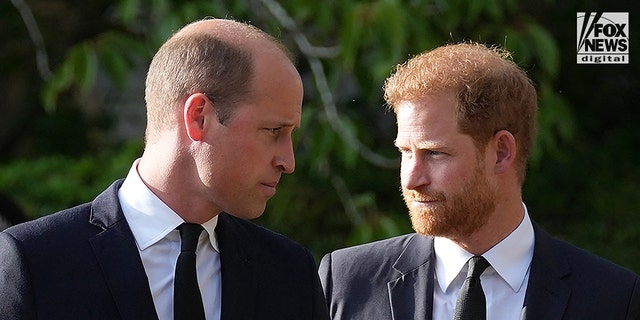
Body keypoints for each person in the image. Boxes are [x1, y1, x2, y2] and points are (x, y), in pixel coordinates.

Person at [0, 18, 330, 320]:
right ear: (199, 116)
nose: (288, 162)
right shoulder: (35, 263)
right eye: (273, 131)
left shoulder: (289, 273)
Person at [318, 42, 640, 319]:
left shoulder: (613, 299)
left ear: (501, 152)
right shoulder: (347, 282)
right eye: (405, 151)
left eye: (434, 153)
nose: (411, 178)